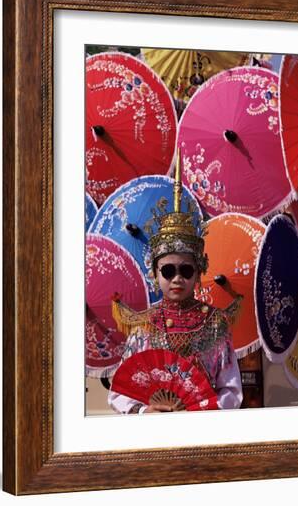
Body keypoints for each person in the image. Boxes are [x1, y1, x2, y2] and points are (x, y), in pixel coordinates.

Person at [108, 151, 243, 414]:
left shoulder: (215, 325)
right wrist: (145, 412)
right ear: (155, 274)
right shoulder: (144, 327)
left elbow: (231, 390)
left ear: (198, 272)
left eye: (185, 270)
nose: (177, 278)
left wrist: (202, 410)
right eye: (168, 271)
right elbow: (119, 392)